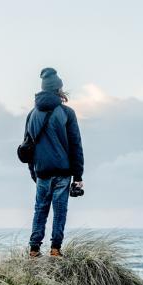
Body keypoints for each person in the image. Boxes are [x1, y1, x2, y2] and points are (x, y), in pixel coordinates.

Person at [24, 67, 84, 258]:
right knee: (59, 212)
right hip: (62, 171)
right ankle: (55, 250)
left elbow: (27, 148)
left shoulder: (31, 115)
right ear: (58, 89)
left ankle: (34, 250)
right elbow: (76, 145)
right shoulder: (67, 113)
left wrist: (34, 172)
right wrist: (78, 176)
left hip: (41, 171)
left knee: (39, 211)